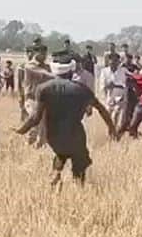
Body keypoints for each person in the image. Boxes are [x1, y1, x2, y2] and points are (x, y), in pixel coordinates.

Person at [15, 52, 119, 186]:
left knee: (61, 153)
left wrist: (21, 130)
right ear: (71, 70)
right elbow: (101, 109)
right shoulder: (81, 89)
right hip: (75, 133)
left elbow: (35, 118)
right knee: (79, 160)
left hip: (53, 134)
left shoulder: (43, 89)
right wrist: (111, 128)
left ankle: (55, 177)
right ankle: (78, 189)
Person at [20, 44, 54, 146]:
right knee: (35, 122)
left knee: (44, 127)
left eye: (45, 53)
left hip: (44, 100)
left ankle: (39, 147)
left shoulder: (47, 67)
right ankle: (29, 145)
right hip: (32, 99)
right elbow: (43, 73)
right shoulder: (29, 66)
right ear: (35, 53)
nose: (44, 55)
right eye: (41, 53)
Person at [99, 52, 133, 128]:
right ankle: (112, 133)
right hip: (109, 96)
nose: (114, 63)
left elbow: (133, 76)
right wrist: (108, 86)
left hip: (121, 96)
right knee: (109, 117)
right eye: (112, 61)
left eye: (116, 61)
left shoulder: (123, 70)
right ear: (109, 61)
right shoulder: (104, 71)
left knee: (116, 114)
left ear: (118, 62)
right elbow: (102, 86)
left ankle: (115, 134)